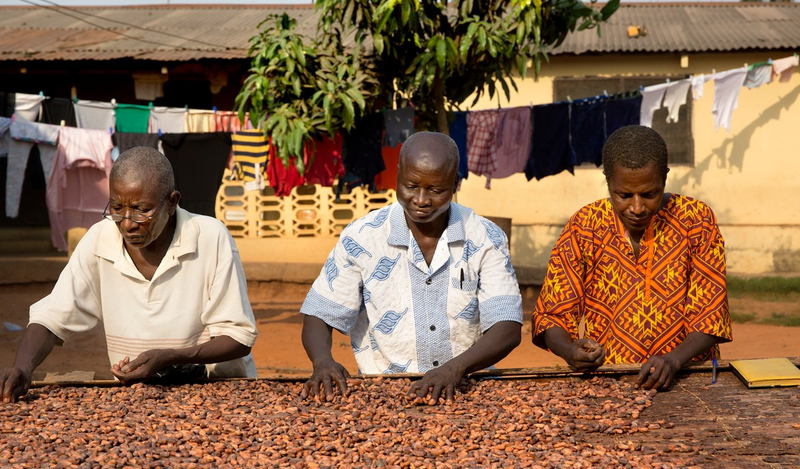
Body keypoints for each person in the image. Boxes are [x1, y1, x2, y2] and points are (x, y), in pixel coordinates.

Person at [0, 146, 258, 403]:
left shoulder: (211, 238)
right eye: (116, 207)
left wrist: (170, 357)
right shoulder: (100, 239)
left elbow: (238, 338)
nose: (127, 222)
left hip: (216, 391)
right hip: (137, 395)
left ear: (172, 203)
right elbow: (51, 318)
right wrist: (22, 367)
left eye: (141, 209)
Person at [300, 131, 523, 403]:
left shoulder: (486, 237)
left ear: (455, 183)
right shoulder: (362, 236)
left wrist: (455, 368)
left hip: (467, 388)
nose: (420, 200)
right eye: (411, 185)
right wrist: (322, 360)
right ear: (398, 175)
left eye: (435, 190)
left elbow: (507, 327)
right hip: (384, 393)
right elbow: (320, 314)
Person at [532, 125, 731, 390]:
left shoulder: (696, 221)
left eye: (649, 194)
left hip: (690, 379)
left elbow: (710, 314)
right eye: (624, 195)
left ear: (664, 178)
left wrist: (674, 360)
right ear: (608, 182)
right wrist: (569, 350)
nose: (637, 208)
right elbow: (551, 315)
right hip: (607, 384)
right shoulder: (585, 226)